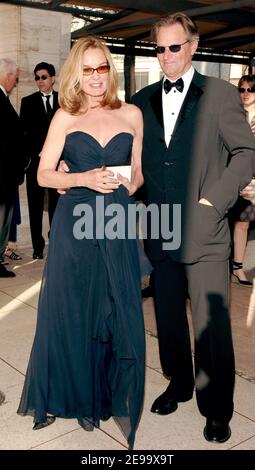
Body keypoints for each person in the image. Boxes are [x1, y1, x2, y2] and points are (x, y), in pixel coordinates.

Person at [131, 12, 255, 443]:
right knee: (167, 318)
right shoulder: (141, 99)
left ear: (193, 45)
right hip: (161, 229)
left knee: (210, 324)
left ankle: (217, 406)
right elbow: (135, 160)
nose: (166, 55)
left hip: (205, 231)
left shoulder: (221, 94)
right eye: (159, 48)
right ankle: (180, 383)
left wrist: (213, 202)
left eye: (174, 46)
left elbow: (244, 153)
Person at [17, 36, 145, 449]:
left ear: (110, 69)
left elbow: (140, 172)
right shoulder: (64, 117)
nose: (94, 77)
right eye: (86, 69)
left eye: (101, 68)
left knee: (113, 306)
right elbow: (43, 175)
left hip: (117, 221)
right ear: (76, 72)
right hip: (76, 222)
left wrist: (130, 182)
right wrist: (83, 179)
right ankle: (72, 394)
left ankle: (108, 391)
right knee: (73, 308)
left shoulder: (132, 114)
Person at [20, 62, 59, 259]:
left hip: (58, 164)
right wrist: (27, 160)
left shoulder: (64, 100)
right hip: (35, 164)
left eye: (43, 77)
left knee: (56, 205)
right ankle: (37, 247)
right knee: (35, 206)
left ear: (53, 78)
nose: (40, 81)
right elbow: (23, 135)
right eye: (36, 77)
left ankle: (56, 241)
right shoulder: (27, 102)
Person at [0, 58, 25, 278]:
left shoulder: (3, 98)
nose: (15, 82)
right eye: (15, 78)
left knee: (4, 219)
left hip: (7, 174)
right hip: (3, 174)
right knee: (1, 219)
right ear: (7, 76)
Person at [231, 75, 255, 286]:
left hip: (253, 180)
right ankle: (232, 267)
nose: (246, 93)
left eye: (251, 89)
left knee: (243, 223)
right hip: (233, 177)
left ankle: (237, 267)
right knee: (235, 223)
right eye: (242, 89)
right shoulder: (233, 115)